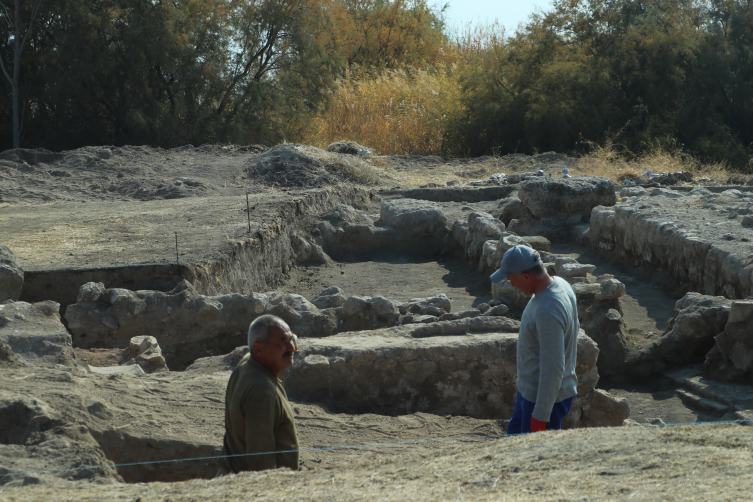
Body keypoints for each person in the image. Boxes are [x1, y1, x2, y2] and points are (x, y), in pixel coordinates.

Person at [491, 245, 579, 434]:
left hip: (544, 401)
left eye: (512, 280)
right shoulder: (561, 283)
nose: (512, 285)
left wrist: (540, 416)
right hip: (532, 394)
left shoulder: (547, 309)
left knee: (535, 459)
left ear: (525, 276)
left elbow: (554, 367)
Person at [217, 315, 300, 475]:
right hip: (246, 488)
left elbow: (289, 343)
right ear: (259, 349)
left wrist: (286, 338)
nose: (292, 348)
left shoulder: (249, 362)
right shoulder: (263, 391)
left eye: (291, 340)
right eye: (283, 342)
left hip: (229, 474)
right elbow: (261, 462)